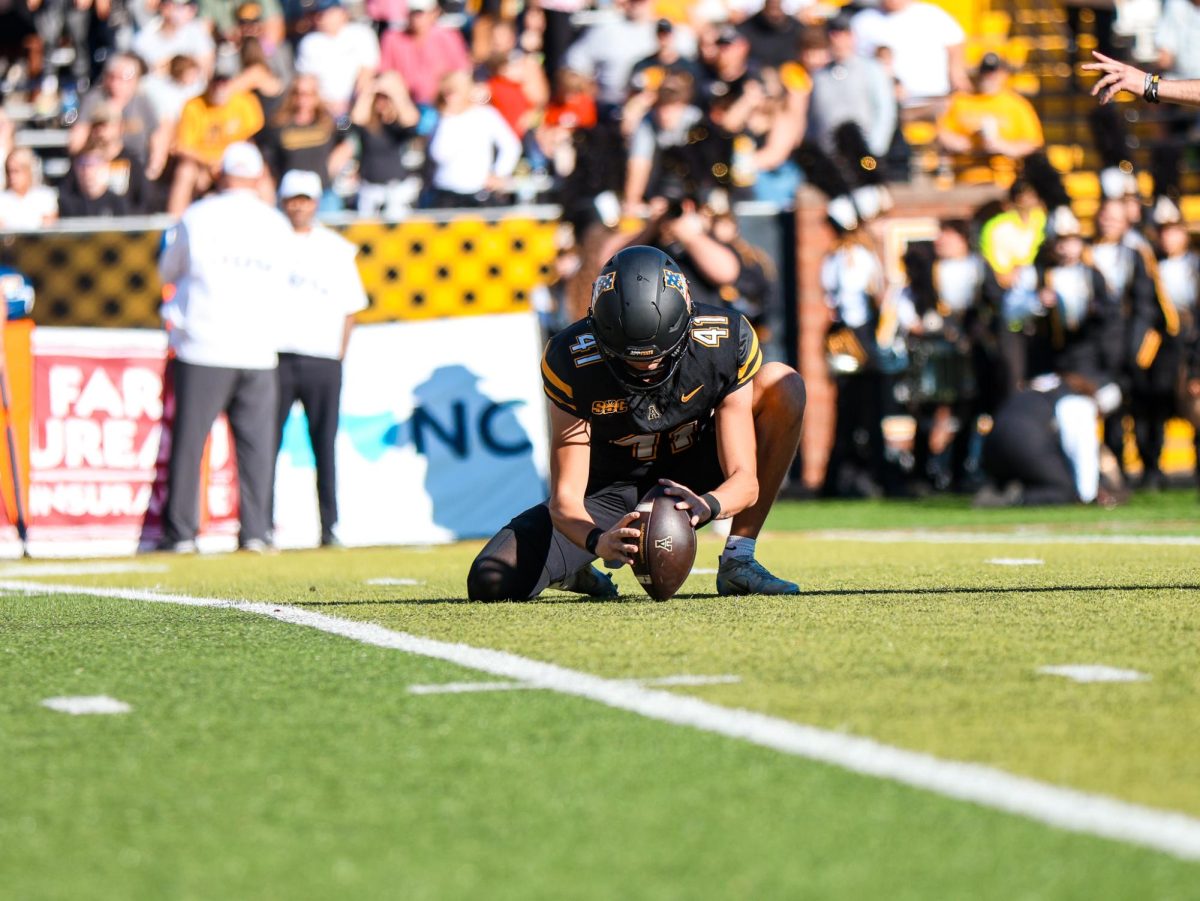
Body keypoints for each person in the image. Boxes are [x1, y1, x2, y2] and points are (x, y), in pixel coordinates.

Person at [466, 245, 807, 601]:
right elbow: (565, 500)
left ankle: (739, 558)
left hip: (690, 481)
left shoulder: (722, 342)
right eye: (628, 358)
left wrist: (707, 504)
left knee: (783, 385)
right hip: (607, 494)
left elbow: (744, 481)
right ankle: (575, 571)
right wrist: (597, 540)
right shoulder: (571, 359)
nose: (646, 370)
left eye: (659, 357)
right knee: (491, 580)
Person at [157, 142, 294, 553]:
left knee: (190, 443)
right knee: (257, 449)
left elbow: (168, 268)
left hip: (204, 344)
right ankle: (256, 532)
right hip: (257, 348)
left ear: (221, 174)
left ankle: (182, 533)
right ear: (257, 177)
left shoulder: (198, 216)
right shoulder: (276, 223)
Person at [273, 170, 368, 546]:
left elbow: (351, 309)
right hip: (276, 356)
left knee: (323, 446)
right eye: (292, 198)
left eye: (305, 198)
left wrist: (338, 354)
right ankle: (259, 525)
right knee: (265, 446)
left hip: (321, 359)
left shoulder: (336, 249)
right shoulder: (266, 243)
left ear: (315, 202)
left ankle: (330, 526)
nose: (298, 205)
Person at [423, 70, 521, 207]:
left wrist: (499, 173)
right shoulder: (439, 118)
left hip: (479, 193)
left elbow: (511, 145)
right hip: (445, 194)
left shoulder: (485, 115)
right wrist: (448, 118)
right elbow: (439, 154)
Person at [378, 0, 470, 108]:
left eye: (420, 13)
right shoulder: (392, 38)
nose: (416, 17)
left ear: (434, 13)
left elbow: (462, 72)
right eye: (413, 12)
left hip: (443, 103)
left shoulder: (448, 36)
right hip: (405, 106)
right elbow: (386, 74)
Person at [294, 0, 380, 116]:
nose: (322, 18)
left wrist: (354, 102)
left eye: (328, 13)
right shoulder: (309, 42)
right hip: (324, 106)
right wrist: (327, 104)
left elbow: (367, 73)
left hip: (359, 102)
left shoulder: (362, 34)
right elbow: (308, 80)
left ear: (343, 13)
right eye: (319, 13)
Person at [0, 148, 58, 229]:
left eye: (16, 171)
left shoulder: (46, 196)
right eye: (9, 171)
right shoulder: (2, 199)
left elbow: (49, 224)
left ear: (28, 171)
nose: (12, 177)